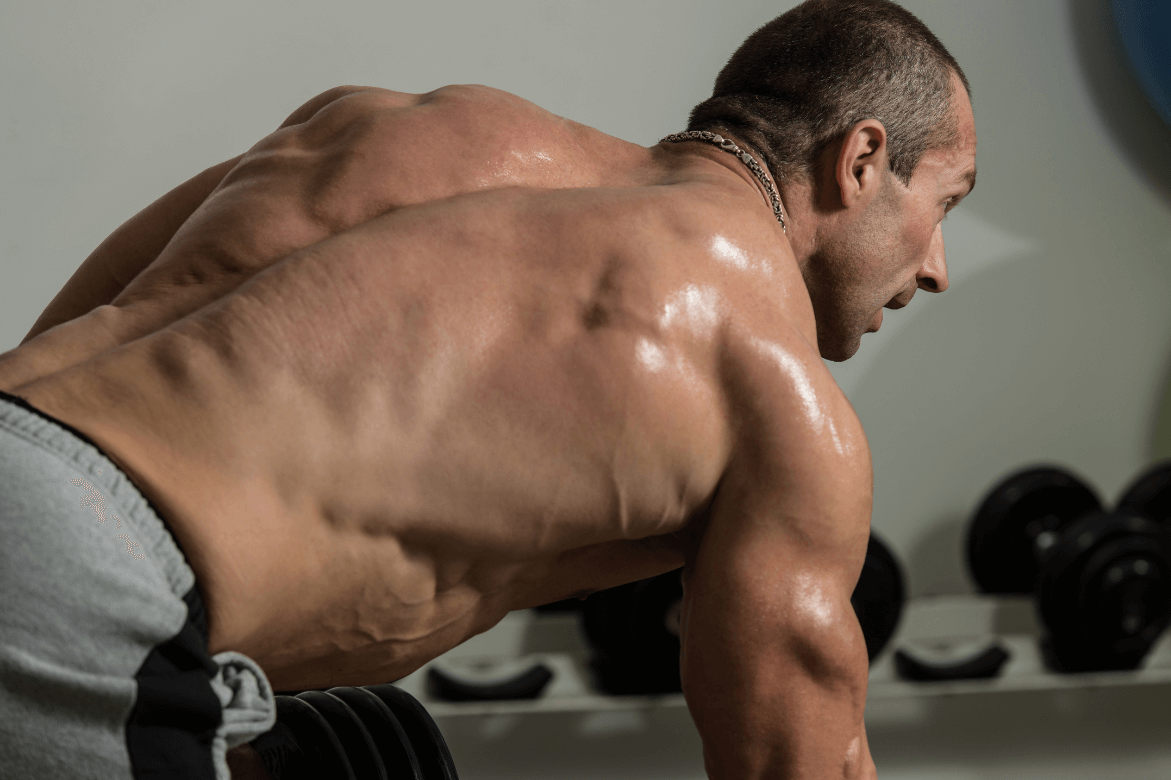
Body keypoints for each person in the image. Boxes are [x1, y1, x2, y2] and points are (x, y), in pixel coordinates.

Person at [0, 0, 976, 777]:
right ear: (859, 161)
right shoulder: (780, 399)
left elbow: (58, 387)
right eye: (945, 204)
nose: (936, 267)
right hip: (85, 592)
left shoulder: (403, 127)